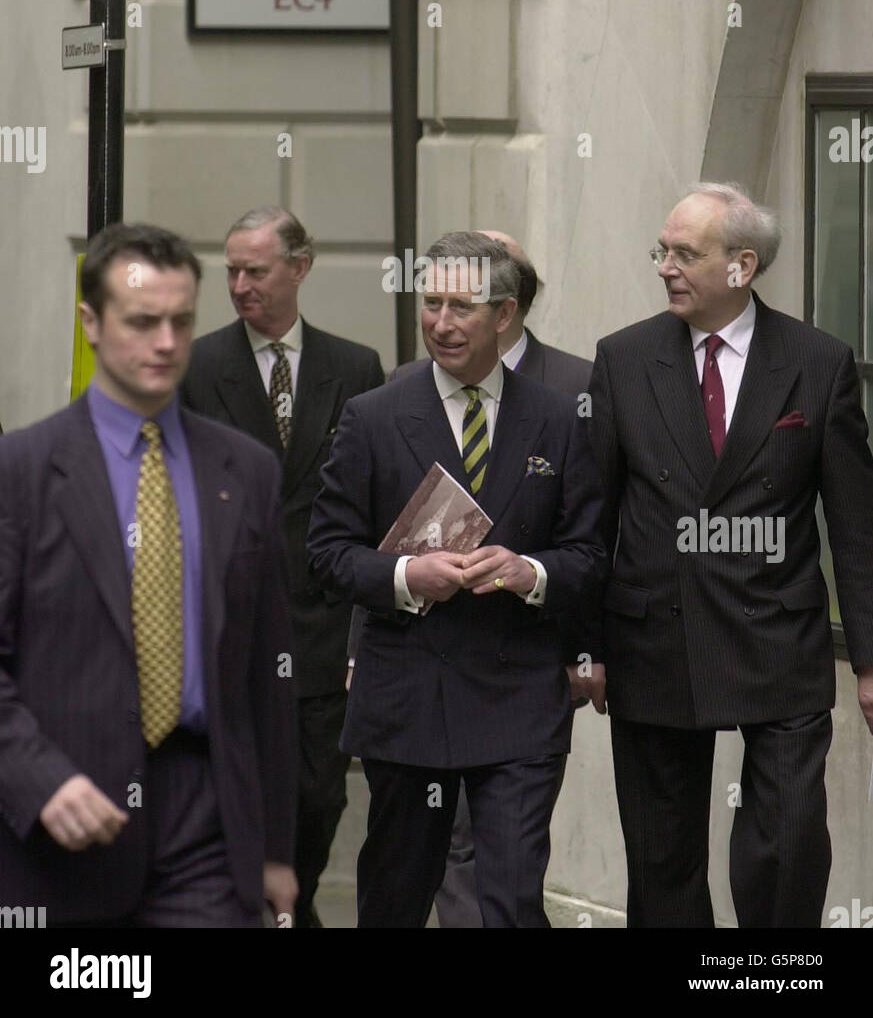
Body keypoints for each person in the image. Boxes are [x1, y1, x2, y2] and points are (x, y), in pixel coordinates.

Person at [590, 182, 873, 929]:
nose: (664, 267)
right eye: (662, 251)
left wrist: (869, 661)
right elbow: (591, 519)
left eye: (685, 253)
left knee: (784, 844)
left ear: (741, 266)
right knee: (662, 856)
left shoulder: (818, 362)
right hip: (653, 634)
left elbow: (854, 525)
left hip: (776, 635)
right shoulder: (622, 360)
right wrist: (582, 645)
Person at [0, 223, 297, 927]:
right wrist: (36, 778)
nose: (166, 343)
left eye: (181, 322)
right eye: (142, 322)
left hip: (207, 822)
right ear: (91, 323)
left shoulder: (246, 471)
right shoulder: (24, 472)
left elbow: (268, 674)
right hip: (64, 819)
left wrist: (276, 848)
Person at [308, 231, 608, 928]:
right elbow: (326, 552)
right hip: (407, 697)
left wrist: (526, 571)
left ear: (503, 315)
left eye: (459, 307)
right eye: (430, 302)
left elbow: (590, 557)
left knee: (508, 901)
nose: (439, 322)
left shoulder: (559, 420)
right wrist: (409, 575)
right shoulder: (373, 415)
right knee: (395, 898)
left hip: (519, 701)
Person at [180, 206, 383, 929]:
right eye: (230, 271)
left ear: (299, 267)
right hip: (228, 623)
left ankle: (283, 901)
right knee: (236, 789)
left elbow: (372, 496)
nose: (239, 286)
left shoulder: (353, 367)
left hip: (323, 627)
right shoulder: (198, 366)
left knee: (320, 794)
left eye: (254, 270)